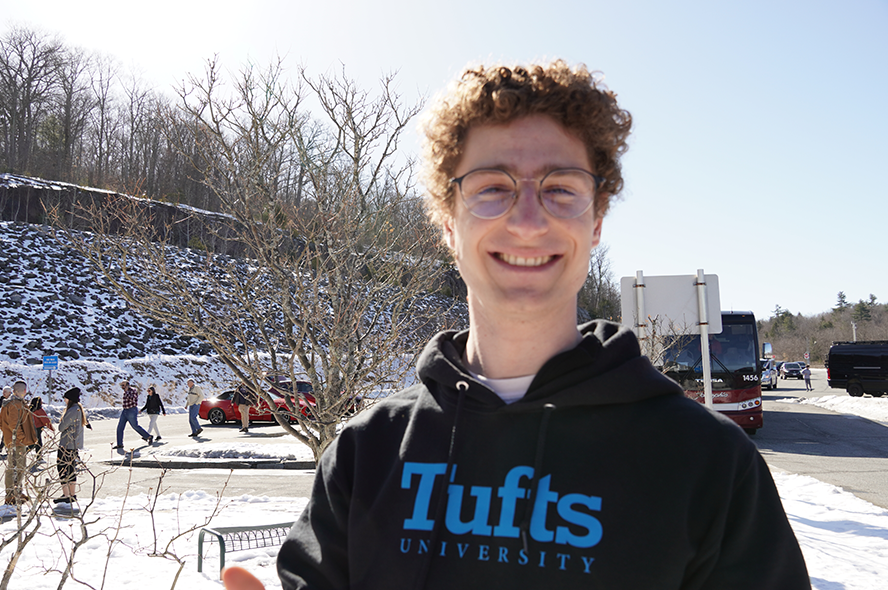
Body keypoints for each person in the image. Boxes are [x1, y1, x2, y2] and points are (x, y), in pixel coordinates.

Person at [224, 61, 810, 590]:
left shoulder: (708, 464)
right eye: (492, 189)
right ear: (447, 223)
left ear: (597, 221)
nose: (528, 221)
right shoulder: (365, 452)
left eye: (560, 189)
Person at [0, 380, 37, 505]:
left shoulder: (8, 403)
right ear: (24, 391)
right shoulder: (15, 404)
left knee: (13, 467)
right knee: (17, 467)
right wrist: (21, 439)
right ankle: (12, 495)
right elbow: (14, 425)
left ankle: (15, 492)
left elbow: (4, 424)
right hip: (17, 442)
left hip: (12, 441)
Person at [56, 387, 91, 504]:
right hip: (73, 445)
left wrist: (62, 421)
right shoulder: (78, 409)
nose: (64, 401)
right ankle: (72, 494)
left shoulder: (72, 410)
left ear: (69, 399)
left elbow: (61, 427)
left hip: (67, 444)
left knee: (62, 468)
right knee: (71, 469)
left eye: (65, 399)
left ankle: (66, 495)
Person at [113, 380, 153, 449]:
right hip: (125, 410)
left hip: (132, 410)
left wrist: (127, 392)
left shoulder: (133, 390)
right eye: (121, 385)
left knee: (135, 426)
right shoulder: (125, 391)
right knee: (120, 427)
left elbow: (133, 399)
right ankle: (120, 444)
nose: (122, 387)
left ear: (127, 385)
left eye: (123, 385)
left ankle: (148, 436)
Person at [0, 386, 11, 454]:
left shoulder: (12, 400)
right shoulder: (2, 399)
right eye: (3, 391)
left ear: (9, 393)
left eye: (5, 392)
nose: (3, 393)